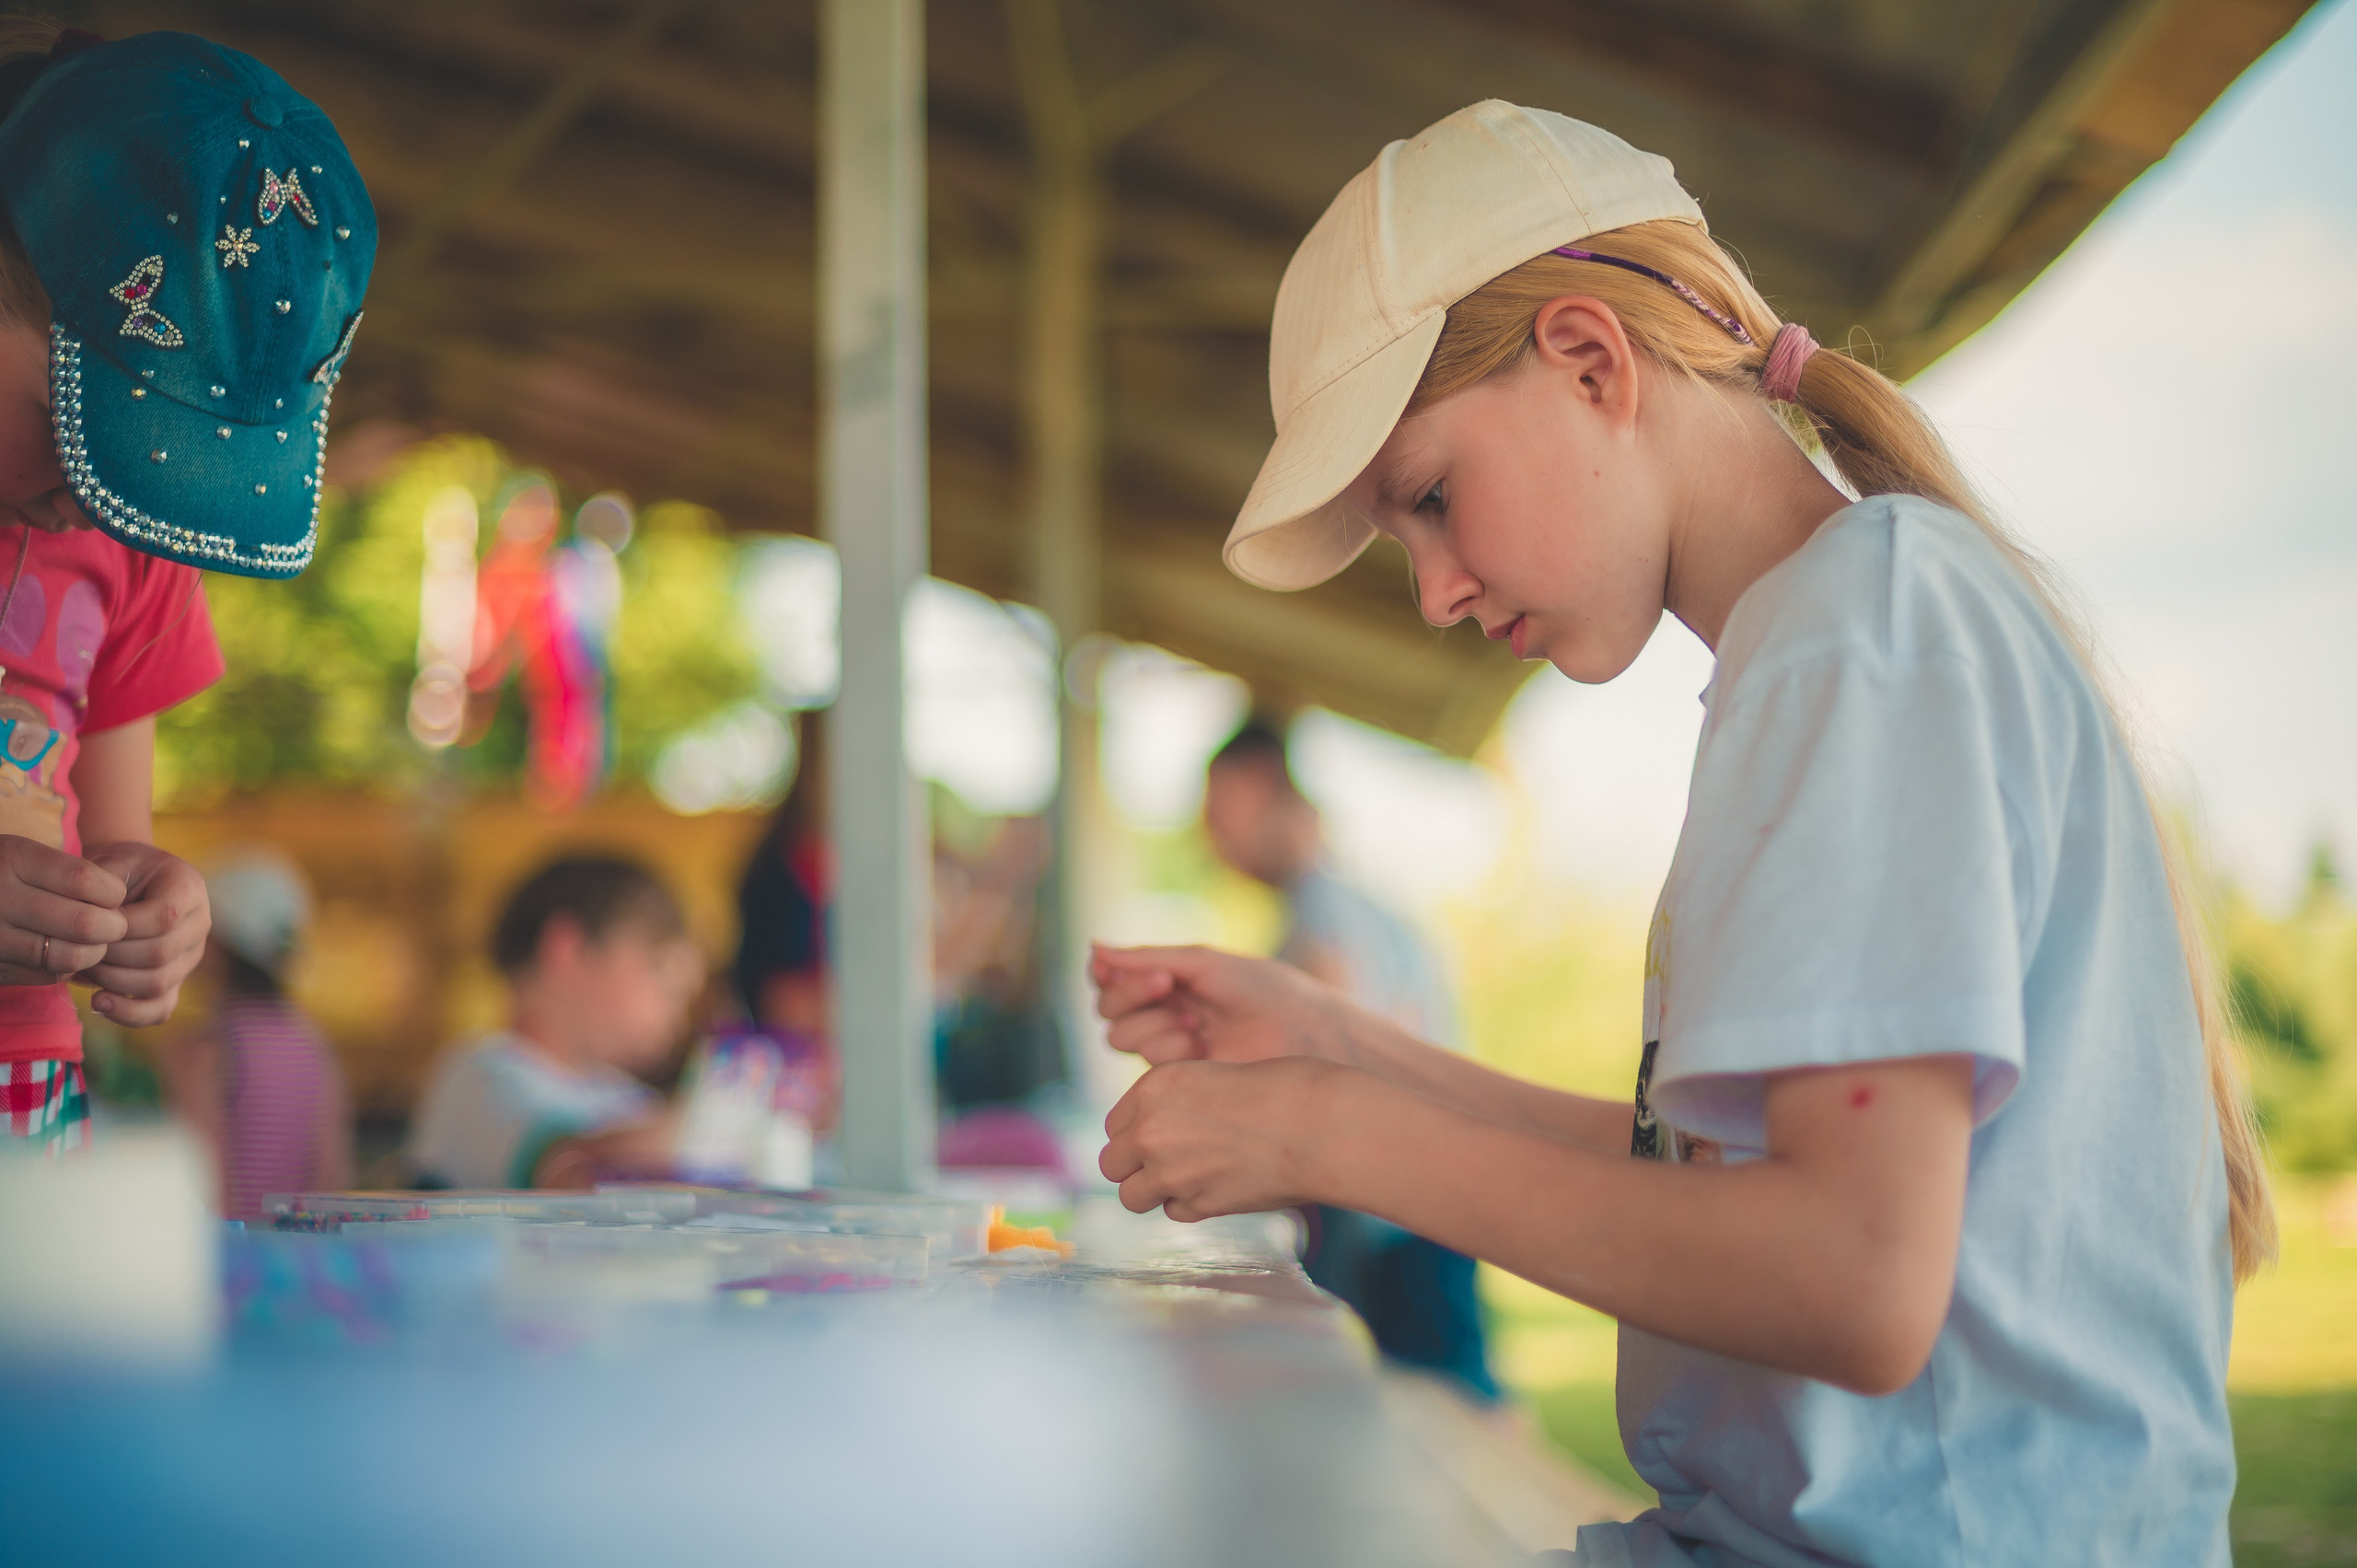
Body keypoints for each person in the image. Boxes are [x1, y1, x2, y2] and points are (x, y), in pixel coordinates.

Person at [1091, 101, 2270, 1566]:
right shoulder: (1829, 636)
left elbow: (1850, 1272)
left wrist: (1334, 1131)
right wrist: (1336, 1042)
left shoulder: (1865, 635)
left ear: (1592, 361)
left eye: (1434, 500)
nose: (1436, 593)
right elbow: (1718, 1176)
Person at [0, 25, 376, 1155]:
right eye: (72, 424)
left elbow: (113, 849)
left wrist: (155, 913)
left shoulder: (132, 531)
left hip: (27, 1082)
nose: (96, 494)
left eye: (145, 449)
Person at [1201, 716, 1493, 1398]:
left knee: (1458, 1406)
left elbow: (1336, 1055)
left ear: (1261, 789)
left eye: (1220, 812)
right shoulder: (1338, 901)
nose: (1211, 836)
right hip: (1417, 1205)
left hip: (1409, 1212)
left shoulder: (1323, 909)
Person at [409, 855, 702, 1191]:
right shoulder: (478, 1074)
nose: (675, 1013)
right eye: (660, 974)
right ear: (568, 948)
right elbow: (570, 1171)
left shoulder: (627, 1097)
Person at [158, 852, 352, 1219]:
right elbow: (331, 1172)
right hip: (296, 1258)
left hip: (230, 1261)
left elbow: (199, 1176)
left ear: (217, 944)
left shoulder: (205, 1048)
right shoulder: (313, 1046)